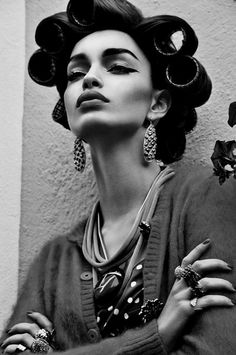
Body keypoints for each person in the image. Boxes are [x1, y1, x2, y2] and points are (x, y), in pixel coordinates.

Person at [1, 0, 236, 354]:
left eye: (117, 66)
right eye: (75, 74)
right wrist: (157, 336)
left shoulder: (208, 197)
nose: (90, 78)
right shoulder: (54, 261)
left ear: (157, 103)